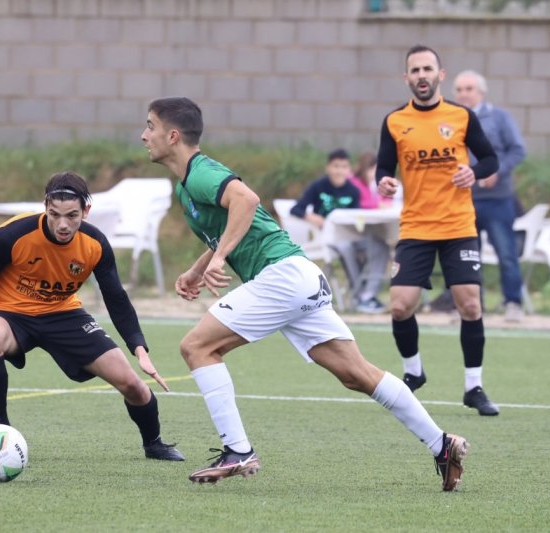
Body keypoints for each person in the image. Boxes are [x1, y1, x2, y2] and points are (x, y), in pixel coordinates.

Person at [141, 96, 467, 490]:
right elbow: (237, 222)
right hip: (297, 277)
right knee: (357, 374)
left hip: (280, 277)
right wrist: (197, 269)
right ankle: (441, 444)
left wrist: (220, 258)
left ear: (172, 136)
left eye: (150, 126)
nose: (144, 135)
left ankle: (238, 450)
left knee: (197, 347)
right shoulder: (188, 187)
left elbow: (246, 201)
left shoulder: (201, 174)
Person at [0, 171, 184, 462]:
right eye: (55, 214)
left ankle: (154, 443)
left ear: (86, 211)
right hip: (11, 312)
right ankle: (0, 429)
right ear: (46, 207)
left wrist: (139, 349)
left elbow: (116, 298)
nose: (63, 224)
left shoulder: (95, 244)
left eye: (72, 215)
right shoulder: (12, 235)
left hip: (64, 314)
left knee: (132, 384)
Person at [375, 45, 500, 416]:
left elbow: (491, 158)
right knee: (399, 307)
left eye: (427, 68)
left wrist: (473, 172)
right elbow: (384, 167)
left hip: (458, 225)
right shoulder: (395, 121)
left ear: (440, 75)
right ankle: (414, 373)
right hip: (416, 226)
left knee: (470, 305)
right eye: (415, 70)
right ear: (407, 78)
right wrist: (383, 182)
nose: (422, 75)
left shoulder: (462, 116)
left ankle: (474, 387)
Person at [451, 70, 527, 322]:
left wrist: (497, 170)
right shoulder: (450, 120)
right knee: (468, 256)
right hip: (463, 200)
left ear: (481, 92)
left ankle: (513, 303)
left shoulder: (499, 118)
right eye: (459, 89)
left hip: (496, 199)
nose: (463, 94)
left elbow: (517, 150)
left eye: (469, 89)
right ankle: (472, 305)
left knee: (506, 253)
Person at [290, 149, 384, 313]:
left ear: (349, 170)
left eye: (344, 167)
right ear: (328, 167)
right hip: (329, 238)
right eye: (336, 166)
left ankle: (369, 294)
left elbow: (356, 216)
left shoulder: (353, 191)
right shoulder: (318, 186)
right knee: (346, 248)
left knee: (379, 245)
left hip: (352, 235)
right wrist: (314, 218)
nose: (339, 171)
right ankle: (358, 294)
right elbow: (297, 209)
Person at [348, 152, 394, 312]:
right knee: (379, 247)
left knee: (382, 246)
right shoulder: (354, 183)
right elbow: (361, 203)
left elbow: (385, 201)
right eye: (372, 169)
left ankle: (369, 293)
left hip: (369, 233)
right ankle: (365, 294)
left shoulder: (372, 185)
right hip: (349, 235)